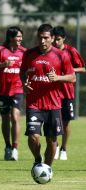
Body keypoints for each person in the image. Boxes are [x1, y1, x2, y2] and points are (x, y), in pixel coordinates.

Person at [20, 24, 75, 167]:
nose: (42, 41)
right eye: (40, 38)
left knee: (51, 141)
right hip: (34, 103)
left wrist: (57, 78)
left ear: (52, 38)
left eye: (45, 38)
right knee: (33, 137)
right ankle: (38, 159)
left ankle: (48, 168)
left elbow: (72, 77)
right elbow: (22, 72)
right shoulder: (28, 54)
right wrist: (24, 84)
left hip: (53, 104)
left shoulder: (61, 55)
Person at [0, 26, 26, 161]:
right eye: (18, 37)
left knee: (15, 117)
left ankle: (15, 148)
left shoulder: (24, 52)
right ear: (11, 38)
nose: (20, 39)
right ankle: (8, 146)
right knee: (5, 118)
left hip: (18, 89)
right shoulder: (0, 50)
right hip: (3, 90)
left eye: (21, 36)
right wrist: (2, 65)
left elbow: (28, 70)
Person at [52, 26, 85, 160]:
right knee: (54, 121)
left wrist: (70, 70)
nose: (55, 42)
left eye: (58, 39)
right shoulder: (49, 52)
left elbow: (83, 68)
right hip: (53, 92)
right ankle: (55, 146)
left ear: (64, 39)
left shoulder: (71, 51)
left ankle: (64, 149)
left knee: (65, 123)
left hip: (67, 92)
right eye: (54, 39)